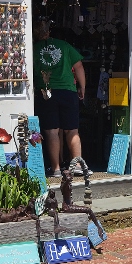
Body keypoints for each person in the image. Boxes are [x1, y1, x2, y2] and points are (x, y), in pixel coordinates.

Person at [33, 19, 90, 177]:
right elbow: (78, 66)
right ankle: (78, 165)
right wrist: (82, 87)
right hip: (67, 91)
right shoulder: (64, 45)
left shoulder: (32, 49)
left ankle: (56, 168)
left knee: (52, 131)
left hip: (46, 92)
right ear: (48, 31)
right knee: (72, 130)